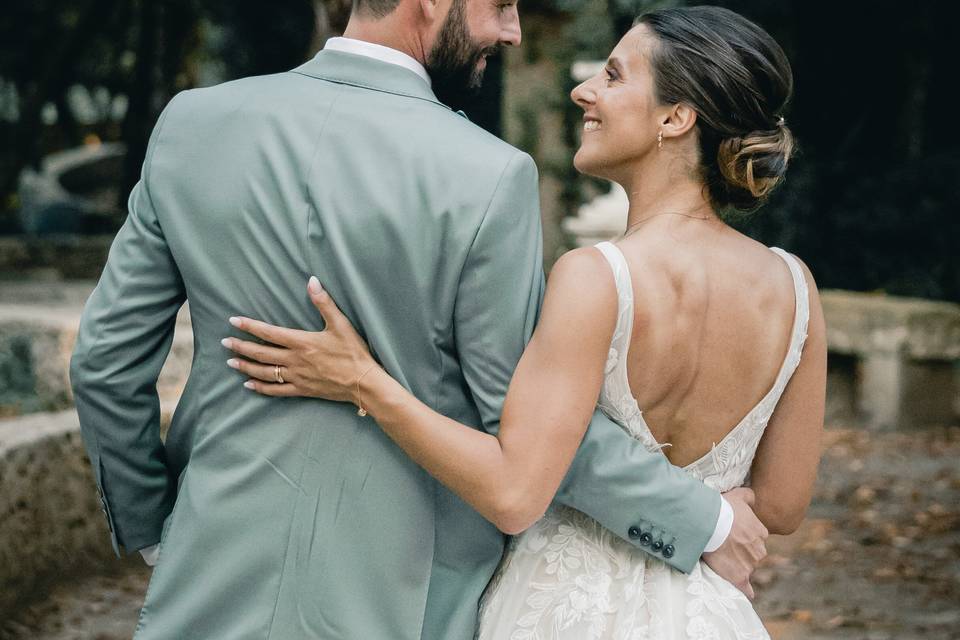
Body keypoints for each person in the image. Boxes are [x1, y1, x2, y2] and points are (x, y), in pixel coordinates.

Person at [70, 1, 770, 638]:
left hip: (206, 576)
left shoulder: (192, 124)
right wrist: (702, 519)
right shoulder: (487, 175)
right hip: (406, 603)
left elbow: (103, 361)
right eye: (499, 6)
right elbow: (530, 427)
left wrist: (163, 533)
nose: (512, 30)